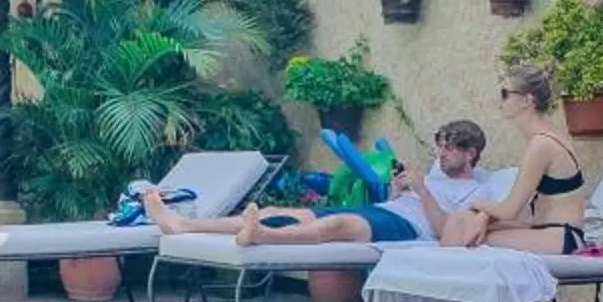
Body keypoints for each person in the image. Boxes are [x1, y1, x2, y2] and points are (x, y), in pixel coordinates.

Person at [139, 123, 487, 246]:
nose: (441, 153)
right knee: (279, 210)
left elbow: (446, 233)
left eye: (451, 147)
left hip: (408, 229)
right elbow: (401, 200)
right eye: (440, 145)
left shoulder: (477, 192)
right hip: (385, 212)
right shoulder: (434, 176)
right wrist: (400, 190)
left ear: (471, 153)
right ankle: (182, 223)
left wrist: (423, 192)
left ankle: (262, 236)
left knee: (334, 224)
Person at [435, 66, 593, 253]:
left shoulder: (542, 144)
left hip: (562, 237)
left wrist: (475, 204)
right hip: (548, 231)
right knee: (461, 220)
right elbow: (526, 208)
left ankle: (444, 276)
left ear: (528, 100)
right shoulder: (544, 139)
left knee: (468, 235)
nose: (500, 101)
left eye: (505, 94)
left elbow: (510, 210)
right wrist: (483, 216)